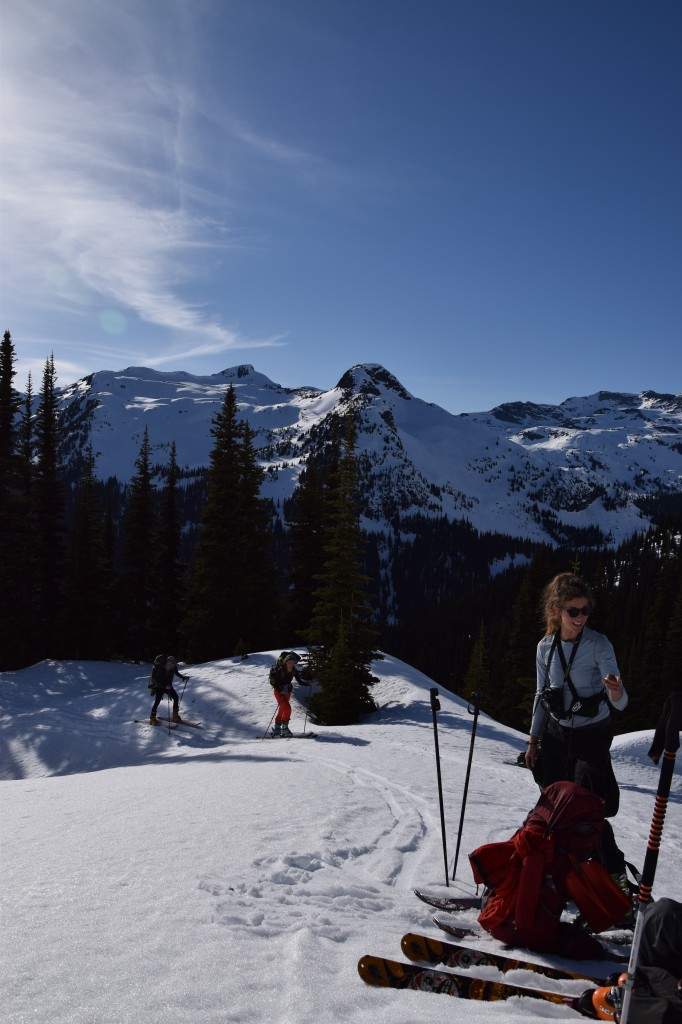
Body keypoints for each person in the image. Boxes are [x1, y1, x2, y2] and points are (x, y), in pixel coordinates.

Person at [524, 573, 630, 886]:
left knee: (588, 808)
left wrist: (615, 692)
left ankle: (613, 878)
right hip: (557, 737)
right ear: (558, 610)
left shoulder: (599, 645)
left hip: (592, 736)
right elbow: (541, 696)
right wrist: (533, 741)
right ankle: (559, 873)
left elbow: (622, 704)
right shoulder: (546, 648)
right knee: (554, 806)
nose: (580, 616)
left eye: (585, 610)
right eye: (574, 611)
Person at [270, 652, 305, 737]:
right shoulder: (280, 670)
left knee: (282, 709)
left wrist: (308, 683)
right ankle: (284, 729)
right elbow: (275, 684)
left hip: (288, 691)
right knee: (288, 708)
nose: (290, 664)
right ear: (285, 662)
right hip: (279, 692)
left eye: (292, 663)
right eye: (289, 662)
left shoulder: (294, 670)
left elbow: (299, 681)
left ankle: (277, 729)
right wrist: (281, 691)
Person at [150, 656, 189, 726]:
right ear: (170, 662)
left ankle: (175, 715)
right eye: (174, 663)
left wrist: (183, 677)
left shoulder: (173, 667)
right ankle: (152, 718)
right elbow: (155, 680)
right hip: (159, 687)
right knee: (157, 702)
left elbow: (176, 673)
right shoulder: (161, 668)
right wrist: (164, 686)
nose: (175, 665)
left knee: (176, 697)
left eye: (175, 663)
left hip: (168, 686)